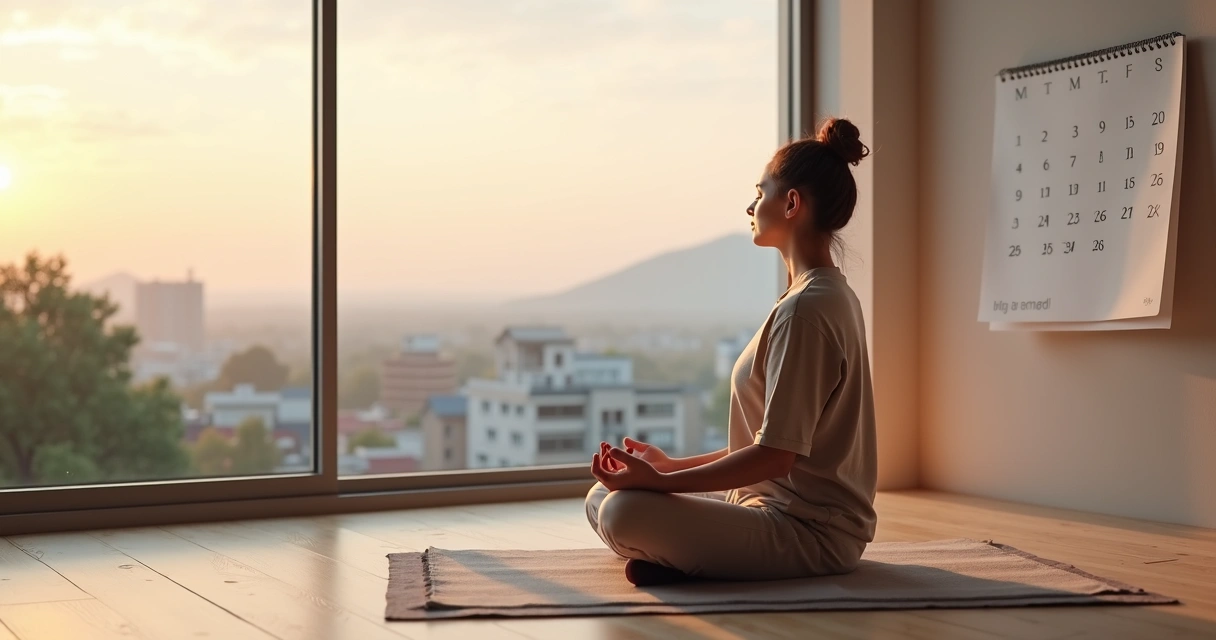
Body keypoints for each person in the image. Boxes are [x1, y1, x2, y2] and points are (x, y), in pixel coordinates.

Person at [584, 116, 878, 587]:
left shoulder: (809, 308)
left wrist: (658, 484)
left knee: (623, 510)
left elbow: (775, 457)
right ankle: (687, 561)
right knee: (603, 496)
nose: (751, 205)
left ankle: (687, 561)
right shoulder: (818, 296)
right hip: (763, 507)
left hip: (811, 533)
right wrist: (667, 467)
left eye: (760, 193)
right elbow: (771, 443)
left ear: (791, 204)